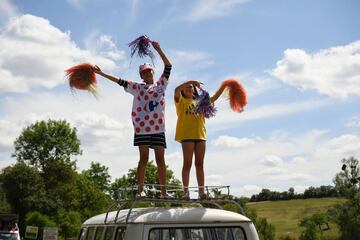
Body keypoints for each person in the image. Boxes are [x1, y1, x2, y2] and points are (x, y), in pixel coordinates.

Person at [93, 40, 172, 198]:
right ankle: (140, 190)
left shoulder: (161, 85)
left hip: (158, 128)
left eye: (150, 71)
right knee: (143, 158)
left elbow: (168, 66)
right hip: (142, 128)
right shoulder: (137, 87)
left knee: (160, 159)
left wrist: (159, 49)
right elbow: (119, 81)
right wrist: (101, 73)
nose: (148, 73)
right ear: (141, 75)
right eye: (145, 72)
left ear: (153, 72)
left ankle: (164, 191)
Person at [174, 81, 226, 200]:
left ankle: (201, 192)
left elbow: (215, 97)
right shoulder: (181, 101)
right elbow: (176, 90)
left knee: (200, 164)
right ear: (183, 90)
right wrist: (191, 81)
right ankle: (186, 192)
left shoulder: (201, 102)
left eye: (190, 87)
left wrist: (224, 85)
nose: (188, 88)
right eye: (186, 87)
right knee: (187, 164)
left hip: (200, 136)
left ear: (194, 90)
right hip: (187, 136)